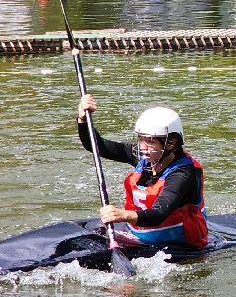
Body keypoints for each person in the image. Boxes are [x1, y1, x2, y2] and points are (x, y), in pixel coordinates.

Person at [75, 95, 207, 250]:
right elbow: (98, 146)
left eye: (150, 141)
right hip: (138, 237)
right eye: (141, 139)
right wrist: (83, 120)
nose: (143, 147)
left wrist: (122, 215)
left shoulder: (183, 175)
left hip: (176, 246)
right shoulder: (145, 156)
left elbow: (159, 213)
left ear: (171, 143)